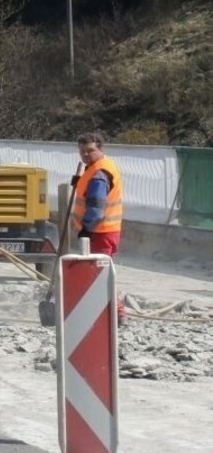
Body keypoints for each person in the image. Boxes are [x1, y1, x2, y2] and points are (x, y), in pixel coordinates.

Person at [71, 132, 127, 321]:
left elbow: (96, 207)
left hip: (99, 231)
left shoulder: (99, 175)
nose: (86, 155)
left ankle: (116, 314)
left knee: (99, 275)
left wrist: (86, 229)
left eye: (90, 151)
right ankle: (110, 313)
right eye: (82, 151)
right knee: (100, 273)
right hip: (107, 230)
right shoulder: (97, 168)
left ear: (100, 149)